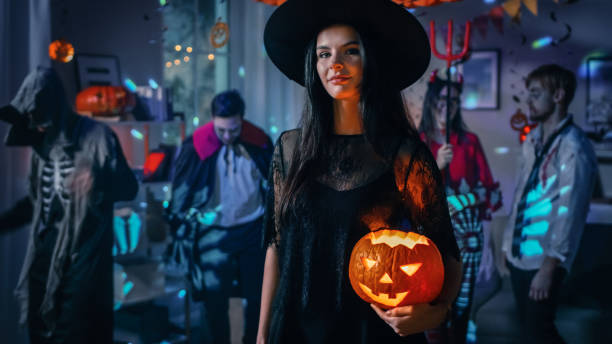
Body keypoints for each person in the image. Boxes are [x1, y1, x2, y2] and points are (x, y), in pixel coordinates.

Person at [257, 1, 463, 343]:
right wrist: (262, 334)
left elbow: (446, 251)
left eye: (349, 51)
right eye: (323, 54)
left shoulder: (405, 156)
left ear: (370, 60)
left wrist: (437, 311)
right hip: (295, 327)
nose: (334, 64)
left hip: (372, 330)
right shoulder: (289, 150)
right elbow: (276, 248)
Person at [0, 67, 138, 343]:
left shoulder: (98, 136)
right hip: (46, 251)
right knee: (40, 327)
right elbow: (37, 202)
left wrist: (98, 179)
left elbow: (129, 188)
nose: (36, 126)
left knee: (78, 332)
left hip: (85, 254)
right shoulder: (43, 146)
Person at [165, 90, 273, 344]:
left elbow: (276, 183)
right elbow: (182, 192)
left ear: (242, 120)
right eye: (221, 129)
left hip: (253, 230)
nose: (227, 136)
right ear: (213, 118)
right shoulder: (195, 146)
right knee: (214, 302)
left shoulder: (259, 141)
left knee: (258, 298)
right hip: (212, 232)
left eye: (234, 130)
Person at [501, 64, 598, 343]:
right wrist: (508, 245)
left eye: (535, 93)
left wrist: (549, 268)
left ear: (558, 95)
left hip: (545, 261)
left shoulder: (575, 147)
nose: (528, 101)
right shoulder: (532, 139)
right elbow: (521, 194)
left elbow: (571, 212)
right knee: (531, 332)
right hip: (521, 256)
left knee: (539, 333)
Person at [419, 72, 502, 344]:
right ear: (431, 102)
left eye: (453, 102)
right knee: (430, 300)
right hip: (428, 238)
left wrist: (487, 242)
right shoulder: (417, 142)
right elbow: (407, 191)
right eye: (442, 100)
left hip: (467, 238)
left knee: (461, 305)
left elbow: (487, 191)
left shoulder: (469, 142)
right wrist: (435, 164)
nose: (447, 107)